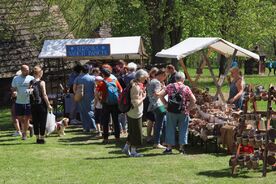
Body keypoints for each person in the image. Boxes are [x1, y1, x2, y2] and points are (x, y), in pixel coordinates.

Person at [160, 72, 196, 154]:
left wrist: (166, 104)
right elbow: (193, 100)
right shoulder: (186, 88)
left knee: (170, 129)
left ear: (175, 78)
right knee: (183, 129)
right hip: (183, 111)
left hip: (171, 111)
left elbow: (161, 95)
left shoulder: (169, 86)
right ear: (183, 79)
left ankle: (169, 148)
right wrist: (188, 109)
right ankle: (181, 148)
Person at [122, 69, 148, 157]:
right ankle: (133, 152)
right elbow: (135, 102)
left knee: (132, 131)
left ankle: (126, 148)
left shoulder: (135, 84)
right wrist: (143, 97)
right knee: (136, 132)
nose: (146, 79)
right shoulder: (136, 87)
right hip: (135, 112)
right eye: (145, 78)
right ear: (140, 77)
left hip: (132, 112)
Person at [96, 64, 122, 144]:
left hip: (106, 103)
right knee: (116, 120)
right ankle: (117, 138)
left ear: (103, 74)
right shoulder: (115, 81)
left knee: (105, 121)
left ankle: (106, 138)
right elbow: (120, 90)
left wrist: (100, 100)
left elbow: (97, 92)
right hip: (115, 103)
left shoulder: (101, 82)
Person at [30, 66, 52, 144]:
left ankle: (37, 138)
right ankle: (42, 138)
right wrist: (49, 105)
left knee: (35, 121)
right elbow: (44, 95)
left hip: (33, 104)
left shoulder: (30, 82)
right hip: (41, 104)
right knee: (42, 121)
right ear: (39, 73)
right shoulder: (42, 82)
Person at [11, 65, 34, 140]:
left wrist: (31, 90)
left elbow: (34, 87)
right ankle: (30, 126)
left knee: (26, 118)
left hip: (28, 102)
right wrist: (14, 92)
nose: (28, 71)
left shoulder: (31, 78)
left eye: (28, 70)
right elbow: (13, 88)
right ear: (22, 70)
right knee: (20, 118)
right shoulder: (16, 78)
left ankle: (24, 135)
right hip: (18, 102)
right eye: (26, 70)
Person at [147, 68, 167, 149]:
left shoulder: (152, 81)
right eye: (165, 77)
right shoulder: (157, 82)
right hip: (158, 105)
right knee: (159, 124)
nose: (165, 79)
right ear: (162, 75)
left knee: (164, 122)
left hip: (154, 105)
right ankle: (157, 142)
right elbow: (157, 94)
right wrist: (164, 89)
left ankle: (163, 141)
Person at [73, 64, 96, 132]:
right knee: (91, 111)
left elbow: (74, 89)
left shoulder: (77, 78)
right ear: (89, 70)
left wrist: (77, 94)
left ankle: (85, 127)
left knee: (82, 112)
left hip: (81, 97)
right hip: (91, 97)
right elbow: (95, 88)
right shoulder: (93, 78)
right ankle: (92, 127)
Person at [145, 67, 158, 143]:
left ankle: (151, 136)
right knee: (151, 120)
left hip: (150, 102)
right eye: (155, 73)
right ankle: (149, 136)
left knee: (152, 120)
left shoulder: (150, 81)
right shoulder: (152, 82)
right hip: (151, 103)